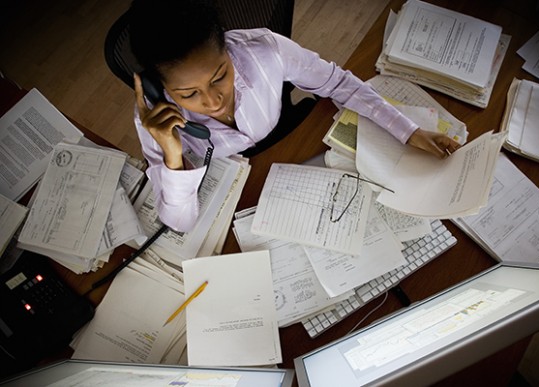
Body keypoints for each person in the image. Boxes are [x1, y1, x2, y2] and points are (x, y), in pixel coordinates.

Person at [129, 0, 460, 232]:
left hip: (290, 141)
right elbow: (181, 222)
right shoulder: (155, 119)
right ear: (161, 89)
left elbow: (337, 82)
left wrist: (409, 131)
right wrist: (172, 157)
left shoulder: (263, 51)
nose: (215, 100)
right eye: (189, 94)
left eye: (220, 76)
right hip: (239, 182)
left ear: (229, 50)